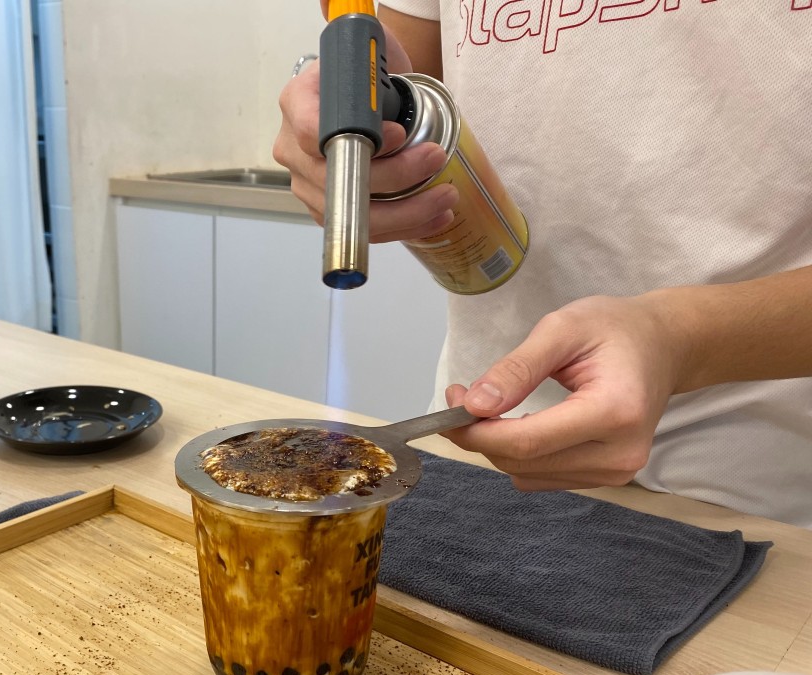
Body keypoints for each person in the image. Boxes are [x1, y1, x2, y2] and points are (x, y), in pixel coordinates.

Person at [274, 2, 812, 528]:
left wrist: (681, 338)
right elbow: (399, 77)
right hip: (478, 453)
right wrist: (336, 125)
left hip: (745, 499)